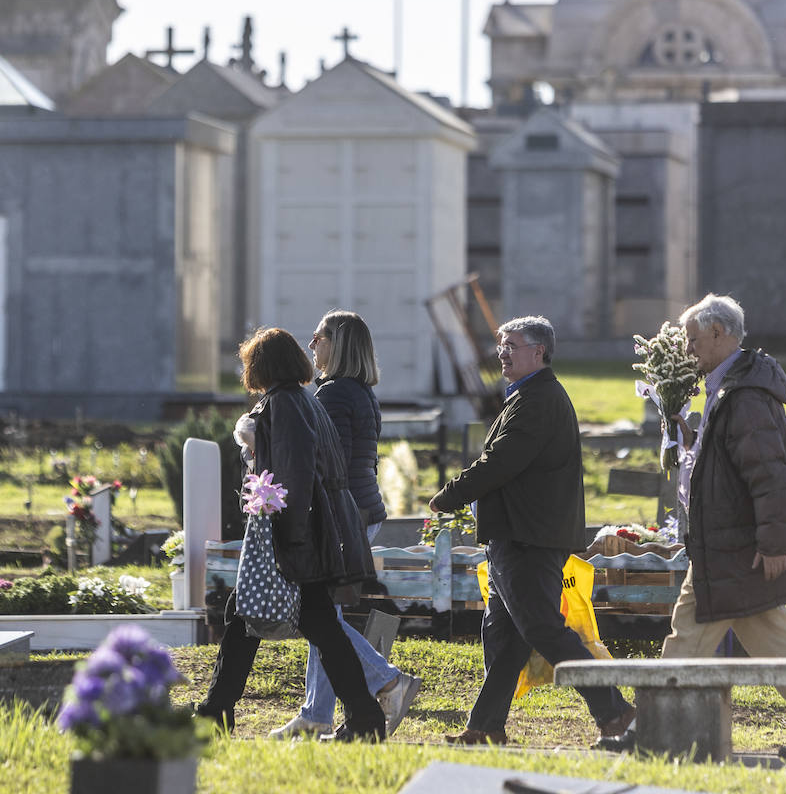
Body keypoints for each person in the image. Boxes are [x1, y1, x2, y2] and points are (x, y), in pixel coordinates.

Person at [598, 294, 786, 759]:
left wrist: (774, 542)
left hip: (735, 550)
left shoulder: (744, 394)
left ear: (720, 334)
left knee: (684, 640)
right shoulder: (730, 386)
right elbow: (732, 463)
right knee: (778, 645)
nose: (689, 350)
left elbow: (771, 476)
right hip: (733, 548)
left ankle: (651, 729)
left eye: (694, 341)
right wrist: (690, 437)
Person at [429, 315, 635, 746]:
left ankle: (617, 713)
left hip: (528, 538)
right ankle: (486, 727)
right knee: (505, 638)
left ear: (538, 352)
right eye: (501, 344)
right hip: (521, 535)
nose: (501, 352)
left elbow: (500, 462)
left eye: (512, 345)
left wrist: (449, 496)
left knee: (543, 629)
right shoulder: (528, 396)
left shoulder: (537, 399)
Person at [195, 327, 386, 742]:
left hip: (296, 536)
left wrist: (291, 542)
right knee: (249, 618)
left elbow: (294, 473)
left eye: (249, 363)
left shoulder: (284, 403)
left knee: (313, 628)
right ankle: (216, 711)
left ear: (261, 366)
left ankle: (366, 718)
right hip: (306, 532)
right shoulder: (300, 400)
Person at [269, 310, 423, 739]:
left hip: (342, 517)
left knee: (319, 616)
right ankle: (316, 713)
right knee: (325, 613)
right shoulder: (360, 393)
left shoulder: (334, 395)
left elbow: (325, 464)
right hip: (362, 511)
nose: (311, 345)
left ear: (336, 345)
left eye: (318, 336)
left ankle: (388, 680)